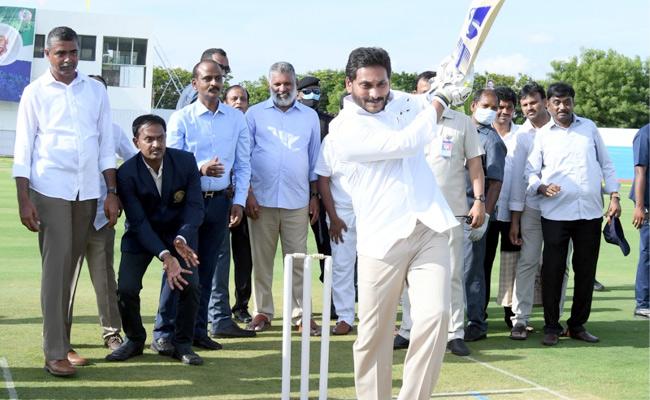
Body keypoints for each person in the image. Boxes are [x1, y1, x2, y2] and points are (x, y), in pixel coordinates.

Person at [333, 47, 468, 400]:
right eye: (366, 86)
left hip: (429, 227)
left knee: (435, 317)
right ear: (349, 84)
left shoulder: (402, 102)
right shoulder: (344, 128)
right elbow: (406, 143)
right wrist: (440, 100)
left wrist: (447, 81)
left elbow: (428, 99)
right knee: (374, 335)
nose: (376, 94)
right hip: (382, 238)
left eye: (382, 84)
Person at [12, 26, 118, 377]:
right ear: (48, 54)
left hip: (86, 191)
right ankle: (54, 351)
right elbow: (23, 148)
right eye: (61, 53)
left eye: (73, 52)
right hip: (50, 189)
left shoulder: (96, 90)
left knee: (68, 271)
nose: (69, 59)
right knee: (55, 273)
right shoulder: (34, 92)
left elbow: (105, 145)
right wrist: (24, 199)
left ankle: (64, 343)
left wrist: (112, 191)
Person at [156, 60, 254, 354]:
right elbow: (170, 163)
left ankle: (197, 331)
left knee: (208, 270)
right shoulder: (182, 118)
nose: (214, 84)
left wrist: (238, 202)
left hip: (221, 202)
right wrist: (199, 169)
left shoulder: (236, 120)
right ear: (195, 82)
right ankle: (164, 331)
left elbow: (244, 163)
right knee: (181, 268)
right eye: (207, 79)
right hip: (188, 204)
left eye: (218, 79)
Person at [394, 71, 485, 357]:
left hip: (451, 211)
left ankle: (454, 332)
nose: (431, 96)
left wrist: (479, 200)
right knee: (409, 275)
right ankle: (409, 329)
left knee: (452, 274)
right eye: (424, 91)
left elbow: (475, 165)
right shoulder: (408, 121)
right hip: (413, 212)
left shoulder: (462, 123)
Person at [526, 82, 621, 346]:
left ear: (573, 102)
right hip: (555, 215)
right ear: (548, 104)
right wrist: (541, 187)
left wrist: (614, 196)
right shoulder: (543, 135)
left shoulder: (589, 128)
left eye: (566, 101)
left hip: (589, 214)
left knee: (586, 271)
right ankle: (551, 326)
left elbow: (607, 164)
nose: (562, 107)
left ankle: (577, 325)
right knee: (553, 271)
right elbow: (530, 172)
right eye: (556, 102)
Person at [106, 114, 205, 365]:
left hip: (178, 235)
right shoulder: (126, 173)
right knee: (126, 288)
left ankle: (182, 344)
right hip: (141, 236)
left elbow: (195, 207)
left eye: (160, 138)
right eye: (148, 139)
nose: (156, 144)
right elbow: (138, 222)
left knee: (190, 285)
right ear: (136, 141)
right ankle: (135, 340)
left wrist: (181, 240)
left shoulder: (185, 161)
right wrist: (165, 255)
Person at [244, 62, 321, 335]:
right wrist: (248, 193)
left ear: (295, 85)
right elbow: (245, 157)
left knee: (298, 261)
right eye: (277, 84)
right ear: (269, 85)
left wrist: (314, 196)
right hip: (260, 200)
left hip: (297, 199)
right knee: (262, 261)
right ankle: (262, 312)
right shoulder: (253, 115)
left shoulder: (309, 117)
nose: (282, 89)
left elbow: (314, 159)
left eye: (287, 84)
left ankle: (301, 315)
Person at [68, 74, 138, 351]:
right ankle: (60, 334)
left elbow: (133, 162)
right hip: (70, 213)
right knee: (65, 278)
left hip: (100, 216)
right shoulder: (68, 126)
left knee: (105, 277)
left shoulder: (114, 129)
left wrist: (117, 193)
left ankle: (112, 332)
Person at [508, 82, 552, 339]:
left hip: (562, 210)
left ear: (545, 101)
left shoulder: (565, 129)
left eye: (533, 102)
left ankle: (553, 318)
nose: (528, 108)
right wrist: (515, 219)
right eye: (524, 105)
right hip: (532, 208)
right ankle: (520, 319)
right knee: (528, 261)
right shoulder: (521, 137)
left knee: (559, 265)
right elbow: (516, 180)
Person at [463, 88, 507, 342]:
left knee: (471, 270)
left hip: (474, 211)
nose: (492, 112)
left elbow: (495, 183)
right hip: (452, 209)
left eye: (495, 107)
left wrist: (485, 214)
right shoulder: (460, 129)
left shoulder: (491, 139)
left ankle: (476, 322)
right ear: (473, 105)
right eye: (487, 106)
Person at [484, 86, 521, 329]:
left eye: (508, 107)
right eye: (499, 107)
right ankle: (479, 312)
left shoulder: (524, 135)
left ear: (514, 110)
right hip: (485, 209)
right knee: (482, 263)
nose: (503, 112)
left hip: (512, 210)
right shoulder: (479, 132)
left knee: (511, 263)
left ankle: (511, 313)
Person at [297, 76, 334, 286]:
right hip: (293, 193)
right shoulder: (294, 120)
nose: (313, 95)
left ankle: (330, 291)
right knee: (294, 248)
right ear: (298, 94)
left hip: (320, 193)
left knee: (325, 244)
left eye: (316, 91)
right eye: (308, 91)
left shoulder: (329, 122)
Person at [223, 85, 255, 323]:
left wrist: (245, 195)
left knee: (244, 256)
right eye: (233, 98)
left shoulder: (253, 126)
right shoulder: (222, 126)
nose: (238, 102)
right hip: (221, 198)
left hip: (244, 200)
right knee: (218, 257)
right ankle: (217, 307)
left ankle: (241, 305)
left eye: (242, 99)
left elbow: (249, 164)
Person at [631, 123, 649, 318]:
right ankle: (643, 303)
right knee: (648, 254)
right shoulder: (645, 134)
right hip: (648, 205)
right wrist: (639, 206)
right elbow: (640, 172)